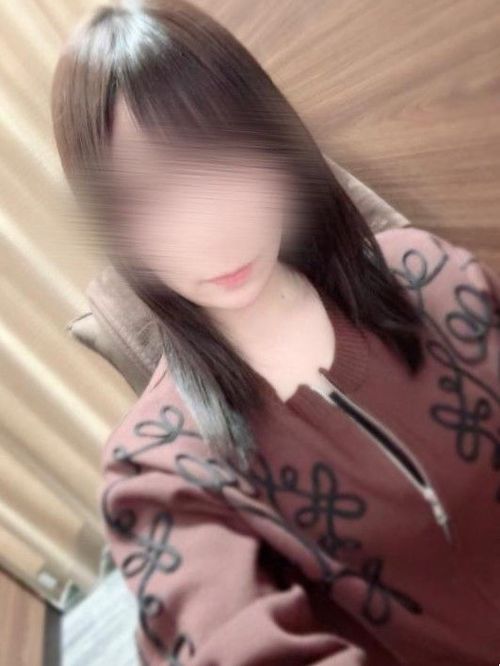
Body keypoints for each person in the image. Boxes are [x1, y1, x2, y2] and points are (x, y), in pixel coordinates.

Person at [50, 1, 500, 664]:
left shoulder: (429, 273)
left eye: (225, 157)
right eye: (152, 198)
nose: (212, 230)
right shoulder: (155, 466)